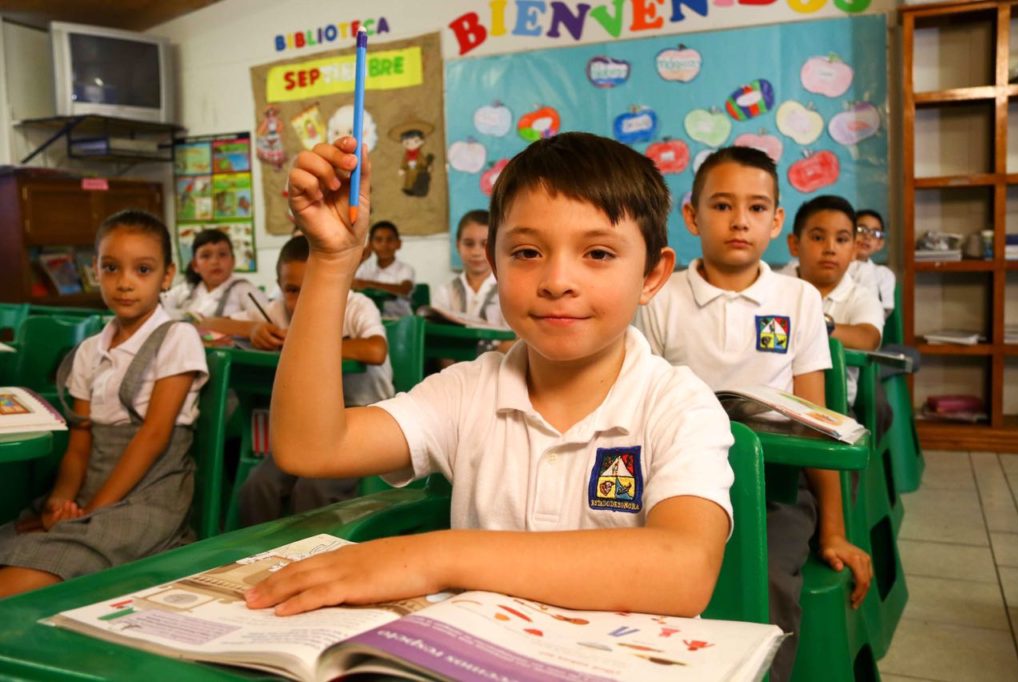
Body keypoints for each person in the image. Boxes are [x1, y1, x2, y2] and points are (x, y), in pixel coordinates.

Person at [245, 132, 736, 621]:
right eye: (526, 252)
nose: (557, 281)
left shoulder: (678, 404)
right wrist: (332, 262)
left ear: (652, 276)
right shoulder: (466, 392)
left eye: (599, 254)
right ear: (496, 264)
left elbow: (684, 569)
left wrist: (437, 558)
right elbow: (309, 446)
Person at [634, 147, 872, 682]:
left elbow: (819, 421)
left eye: (757, 208)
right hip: (673, 477)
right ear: (692, 217)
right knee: (648, 575)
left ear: (776, 221)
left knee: (765, 583)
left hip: (775, 486)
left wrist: (833, 530)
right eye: (721, 206)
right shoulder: (658, 295)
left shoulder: (799, 299)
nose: (740, 220)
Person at [0, 209, 208, 597]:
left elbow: (154, 436)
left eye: (142, 270)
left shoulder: (177, 337)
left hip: (148, 497)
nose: (125, 283)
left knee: (39, 569)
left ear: (166, 276)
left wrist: (95, 509)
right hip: (90, 492)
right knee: (21, 541)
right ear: (95, 270)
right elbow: (80, 445)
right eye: (111, 268)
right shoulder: (88, 351)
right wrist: (62, 500)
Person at [209, 236, 395, 527]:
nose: (302, 300)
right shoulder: (277, 311)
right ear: (280, 286)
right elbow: (204, 323)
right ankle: (257, 563)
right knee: (258, 487)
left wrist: (308, 344)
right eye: (293, 290)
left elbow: (375, 350)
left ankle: (313, 563)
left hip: (361, 417)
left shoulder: (356, 305)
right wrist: (253, 327)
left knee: (313, 489)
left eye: (312, 287)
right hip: (307, 424)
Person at [785, 195, 884, 406]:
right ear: (794, 244)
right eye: (818, 238)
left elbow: (868, 338)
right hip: (772, 404)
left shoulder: (861, 296)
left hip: (839, 409)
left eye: (841, 240)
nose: (830, 248)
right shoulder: (774, 285)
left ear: (854, 249)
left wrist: (812, 326)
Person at [162, 228, 269, 322]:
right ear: (195, 265)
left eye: (222, 254)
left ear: (233, 261)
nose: (215, 261)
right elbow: (158, 306)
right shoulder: (187, 289)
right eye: (206, 256)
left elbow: (265, 316)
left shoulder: (243, 289)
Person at [432, 209, 505, 327]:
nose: (476, 252)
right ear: (457, 245)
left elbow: (516, 339)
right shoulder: (444, 292)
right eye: (469, 244)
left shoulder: (508, 291)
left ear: (497, 246)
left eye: (485, 244)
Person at [353, 220, 415, 318]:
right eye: (378, 240)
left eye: (390, 240)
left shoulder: (405, 269)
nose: (384, 245)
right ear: (370, 244)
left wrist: (368, 284)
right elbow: (348, 285)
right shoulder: (365, 267)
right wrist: (360, 259)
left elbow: (404, 289)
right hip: (369, 320)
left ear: (398, 244)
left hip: (398, 321)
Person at [849, 209, 896, 316]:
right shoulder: (833, 267)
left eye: (875, 233)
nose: (867, 237)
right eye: (861, 229)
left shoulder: (884, 274)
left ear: (880, 244)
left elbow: (885, 310)